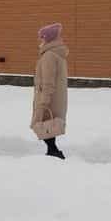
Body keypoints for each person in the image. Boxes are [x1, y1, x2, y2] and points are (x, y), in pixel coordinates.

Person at [32, 23, 69, 159]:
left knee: (44, 124)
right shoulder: (57, 54)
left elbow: (48, 81)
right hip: (55, 97)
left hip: (49, 97)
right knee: (49, 125)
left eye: (42, 38)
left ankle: (54, 152)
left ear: (47, 38)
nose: (40, 40)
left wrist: (44, 100)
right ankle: (52, 151)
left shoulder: (49, 56)